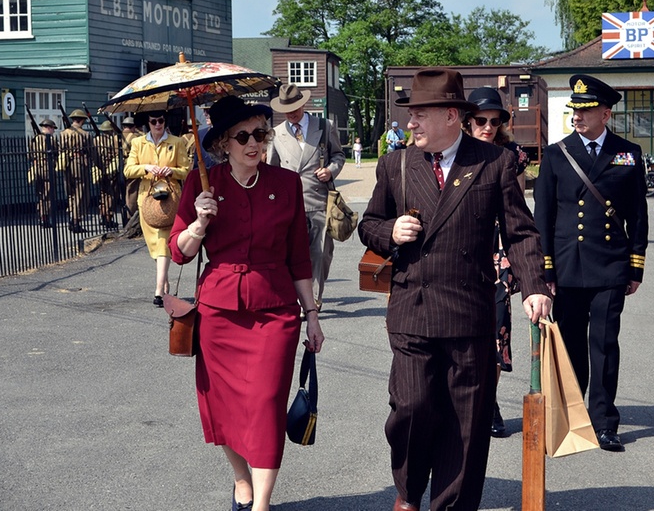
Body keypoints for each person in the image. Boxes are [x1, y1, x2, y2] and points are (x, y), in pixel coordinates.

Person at [358, 68, 552, 511]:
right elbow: (367, 225)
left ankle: (450, 506)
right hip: (412, 309)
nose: (411, 123)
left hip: (469, 313)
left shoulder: (494, 162)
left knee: (466, 425)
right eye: (410, 115)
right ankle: (408, 491)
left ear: (450, 115)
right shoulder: (395, 164)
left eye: (420, 115)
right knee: (410, 408)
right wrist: (391, 231)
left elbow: (520, 233)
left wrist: (534, 288)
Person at [168, 95, 324, 511]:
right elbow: (179, 252)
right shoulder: (201, 184)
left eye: (260, 133)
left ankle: (262, 505)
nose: (254, 143)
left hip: (275, 311)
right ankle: (242, 482)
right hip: (219, 313)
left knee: (267, 403)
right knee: (224, 405)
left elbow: (299, 257)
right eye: (243, 137)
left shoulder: (286, 183)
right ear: (222, 143)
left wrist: (312, 314)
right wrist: (199, 223)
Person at [534, 74, 649, 453]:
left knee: (603, 344)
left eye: (585, 111)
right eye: (574, 110)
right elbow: (544, 216)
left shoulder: (628, 153)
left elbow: (637, 214)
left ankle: (604, 422)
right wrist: (545, 268)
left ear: (605, 112)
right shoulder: (556, 153)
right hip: (567, 266)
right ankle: (571, 416)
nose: (577, 117)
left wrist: (635, 266)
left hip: (610, 267)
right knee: (569, 345)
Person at [461, 86, 525, 438]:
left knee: (497, 331)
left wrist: (525, 260)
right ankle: (465, 402)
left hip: (499, 254)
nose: (488, 126)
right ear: (468, 120)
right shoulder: (455, 152)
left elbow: (518, 211)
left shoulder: (513, 155)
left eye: (495, 121)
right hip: (464, 250)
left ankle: (490, 403)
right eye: (481, 120)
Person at [267, 83, 345, 310]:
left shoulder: (324, 125)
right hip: (289, 205)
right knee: (293, 254)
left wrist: (331, 170)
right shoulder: (277, 133)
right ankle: (301, 296)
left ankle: (314, 299)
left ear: (303, 104)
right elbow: (272, 170)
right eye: (287, 109)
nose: (292, 113)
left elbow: (339, 155)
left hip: (319, 200)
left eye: (295, 108)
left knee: (321, 253)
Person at [123, 110, 190, 307]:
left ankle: (159, 290)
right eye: (154, 121)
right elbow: (128, 170)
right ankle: (164, 281)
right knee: (155, 245)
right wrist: (146, 168)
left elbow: (186, 170)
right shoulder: (138, 143)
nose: (158, 124)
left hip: (170, 200)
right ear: (148, 123)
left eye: (161, 121)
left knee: (162, 241)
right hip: (147, 200)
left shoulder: (177, 142)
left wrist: (172, 171)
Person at [59, 109, 94, 233]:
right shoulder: (85, 134)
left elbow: (61, 149)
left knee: (70, 192)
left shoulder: (63, 133)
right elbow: (91, 151)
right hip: (80, 164)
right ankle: (76, 220)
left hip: (67, 164)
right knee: (80, 192)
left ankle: (71, 216)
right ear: (82, 120)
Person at [30, 119, 59, 228]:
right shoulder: (50, 140)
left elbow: (30, 155)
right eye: (53, 129)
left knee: (41, 194)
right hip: (47, 168)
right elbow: (57, 152)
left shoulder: (34, 139)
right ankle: (45, 217)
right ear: (49, 128)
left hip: (37, 169)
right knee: (49, 195)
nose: (53, 131)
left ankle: (41, 216)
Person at [93, 121, 122, 229]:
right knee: (112, 194)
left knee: (103, 193)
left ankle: (102, 215)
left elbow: (94, 155)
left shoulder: (96, 140)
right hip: (110, 169)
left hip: (100, 169)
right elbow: (116, 154)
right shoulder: (113, 140)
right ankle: (108, 218)